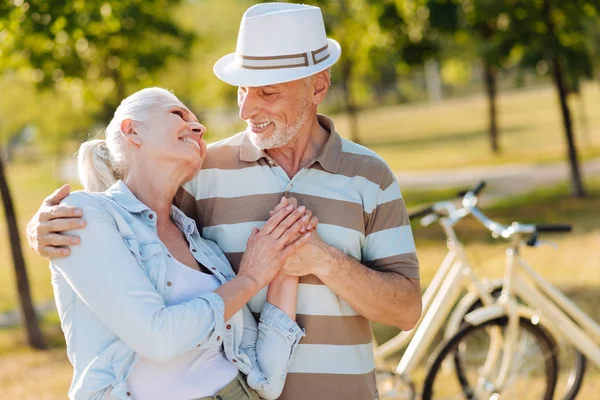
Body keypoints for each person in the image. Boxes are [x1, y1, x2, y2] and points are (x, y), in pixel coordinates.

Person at [27, 3, 422, 400]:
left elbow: (405, 312)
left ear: (317, 86)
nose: (246, 110)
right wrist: (46, 229)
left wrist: (323, 260)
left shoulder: (370, 176)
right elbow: (132, 216)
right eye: (243, 90)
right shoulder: (202, 171)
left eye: (267, 92)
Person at [42, 86, 319, 400]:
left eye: (198, 124)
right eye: (178, 114)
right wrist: (251, 279)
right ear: (131, 130)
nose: (199, 128)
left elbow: (266, 379)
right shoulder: (84, 215)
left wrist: (284, 259)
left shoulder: (205, 249)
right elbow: (158, 338)